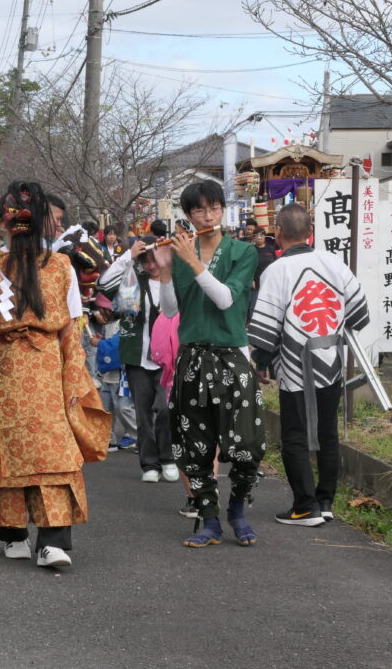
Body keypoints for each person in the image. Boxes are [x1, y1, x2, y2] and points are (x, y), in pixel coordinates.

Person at [0, 181, 110, 568]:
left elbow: (71, 328)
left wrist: (74, 377)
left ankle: (52, 540)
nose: (20, 218)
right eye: (13, 210)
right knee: (3, 450)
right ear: (2, 220)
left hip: (47, 369)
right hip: (1, 368)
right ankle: (13, 531)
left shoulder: (61, 266)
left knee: (53, 451)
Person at [156, 180, 265, 548]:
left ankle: (237, 509)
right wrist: (167, 270)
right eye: (199, 210)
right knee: (195, 444)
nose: (208, 215)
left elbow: (225, 300)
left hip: (232, 355)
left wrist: (191, 261)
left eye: (214, 208)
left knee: (247, 444)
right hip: (192, 357)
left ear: (222, 209)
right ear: (188, 216)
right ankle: (209, 518)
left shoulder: (243, 251)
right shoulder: (181, 251)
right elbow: (170, 310)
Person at [248, 203, 370, 527]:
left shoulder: (276, 270)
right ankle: (325, 500)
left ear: (278, 233)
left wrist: (260, 362)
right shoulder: (333, 262)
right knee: (328, 433)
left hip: (295, 365)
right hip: (331, 360)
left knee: (296, 436)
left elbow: (264, 330)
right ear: (310, 232)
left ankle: (305, 506)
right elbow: (360, 313)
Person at [98, 235, 178, 483]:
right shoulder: (133, 279)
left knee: (165, 410)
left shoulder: (176, 279)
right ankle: (149, 463)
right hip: (138, 356)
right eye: (146, 260)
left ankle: (168, 458)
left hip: (170, 358)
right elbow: (104, 284)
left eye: (154, 260)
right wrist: (128, 256)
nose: (151, 266)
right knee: (143, 413)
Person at [91, 293, 138, 454]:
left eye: (102, 309)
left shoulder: (122, 323)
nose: (100, 312)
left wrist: (100, 343)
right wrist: (102, 340)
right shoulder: (109, 324)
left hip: (120, 374)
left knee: (122, 407)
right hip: (108, 375)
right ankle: (108, 438)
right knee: (107, 407)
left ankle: (139, 436)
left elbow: (117, 345)